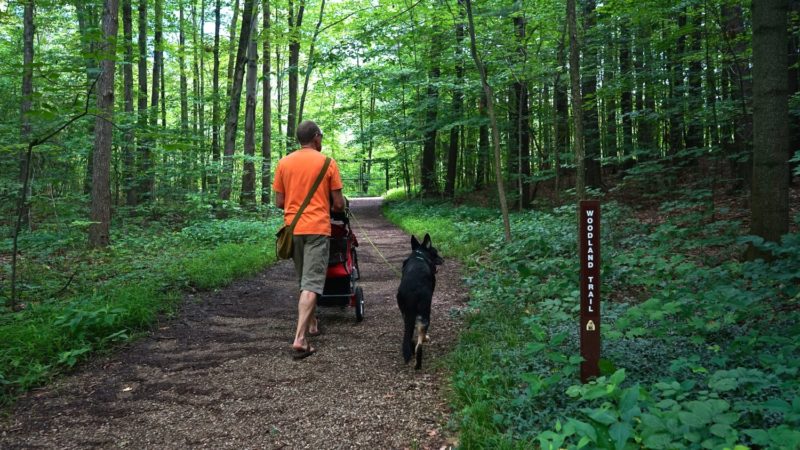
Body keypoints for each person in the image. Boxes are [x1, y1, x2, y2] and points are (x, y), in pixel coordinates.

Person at [273, 120, 345, 357]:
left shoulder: (283, 163)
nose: (321, 140)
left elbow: (279, 203)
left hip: (293, 230)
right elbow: (338, 204)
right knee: (312, 284)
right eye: (321, 136)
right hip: (316, 229)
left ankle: (312, 324)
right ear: (316, 137)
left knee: (304, 280)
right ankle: (300, 339)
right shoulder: (327, 163)